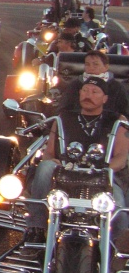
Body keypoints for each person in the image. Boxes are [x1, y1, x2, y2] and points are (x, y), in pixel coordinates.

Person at [23, 77, 129, 253]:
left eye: (95, 92)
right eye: (85, 90)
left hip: (104, 178)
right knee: (44, 167)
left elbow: (122, 157)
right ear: (79, 93)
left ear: (105, 98)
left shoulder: (117, 120)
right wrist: (52, 160)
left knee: (120, 210)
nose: (89, 95)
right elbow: (49, 152)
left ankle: (115, 249)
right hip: (66, 174)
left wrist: (105, 168)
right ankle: (37, 227)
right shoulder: (63, 118)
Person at [58, 50, 129, 115]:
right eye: (87, 64)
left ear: (106, 67)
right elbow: (63, 109)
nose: (91, 67)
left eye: (95, 64)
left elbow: (125, 113)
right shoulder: (75, 85)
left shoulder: (117, 87)